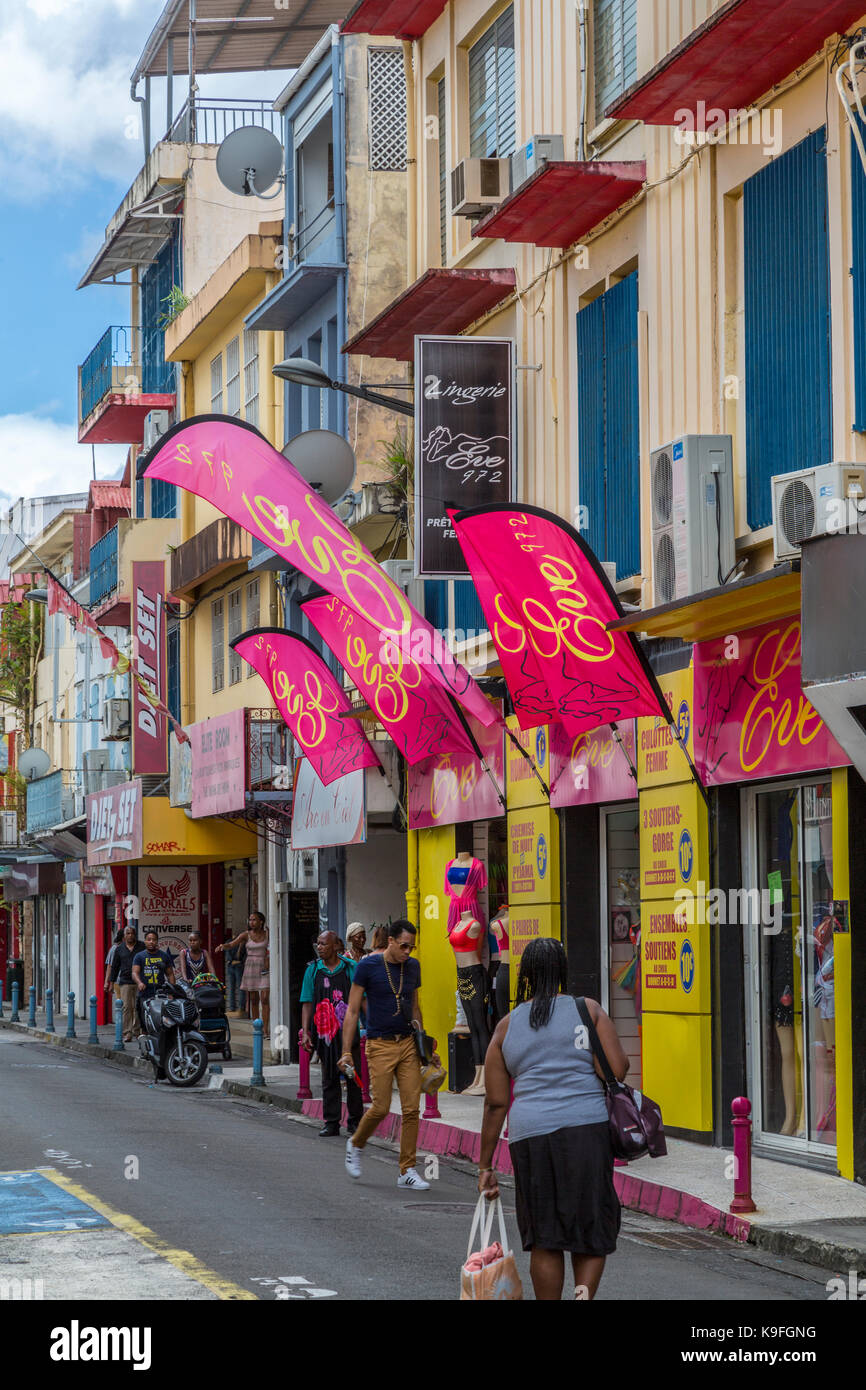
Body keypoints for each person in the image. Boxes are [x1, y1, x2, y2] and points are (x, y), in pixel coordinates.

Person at [477, 937, 628, 1301]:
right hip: (585, 1130)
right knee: (589, 1229)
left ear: (525, 975)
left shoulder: (506, 1027)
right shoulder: (586, 1010)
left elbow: (496, 1102)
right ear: (562, 971)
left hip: (530, 1136)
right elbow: (618, 1068)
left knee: (545, 1236)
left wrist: (485, 1165)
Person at [339, 919, 430, 1190]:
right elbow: (353, 1011)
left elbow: (414, 1008)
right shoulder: (368, 966)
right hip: (378, 1044)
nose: (407, 952)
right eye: (403, 946)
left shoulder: (412, 967)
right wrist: (347, 1051)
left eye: (411, 948)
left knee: (412, 1109)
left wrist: (423, 1046)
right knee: (380, 1107)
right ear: (390, 941)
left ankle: (407, 1170)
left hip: (407, 1043)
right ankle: (356, 1143)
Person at [300, 931, 363, 1138]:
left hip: (348, 1032)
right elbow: (307, 1002)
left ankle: (355, 1121)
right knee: (329, 1079)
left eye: (324, 944)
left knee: (353, 1077)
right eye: (317, 943)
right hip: (325, 1033)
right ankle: (331, 1122)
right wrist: (306, 1031)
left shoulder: (350, 968)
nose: (319, 947)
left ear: (336, 946)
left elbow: (361, 1000)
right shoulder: (313, 970)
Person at [215, 911, 269, 1036]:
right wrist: (223, 946)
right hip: (250, 966)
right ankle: (258, 1028)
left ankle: (266, 1029)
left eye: (254, 920)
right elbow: (232, 944)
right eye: (250, 920)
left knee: (265, 998)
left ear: (261, 921)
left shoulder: (267, 934)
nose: (251, 922)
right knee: (254, 999)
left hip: (264, 967)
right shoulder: (246, 935)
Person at [131, 929, 177, 1026]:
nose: (151, 942)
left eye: (154, 939)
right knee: (144, 1020)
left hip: (160, 993)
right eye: (149, 939)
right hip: (144, 992)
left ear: (157, 941)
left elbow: (170, 974)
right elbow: (135, 973)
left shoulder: (164, 956)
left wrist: (172, 991)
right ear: (145, 941)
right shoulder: (139, 956)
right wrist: (139, 983)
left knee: (160, 1019)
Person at [109, 925, 145, 1041]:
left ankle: (137, 1031)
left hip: (140, 981)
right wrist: (110, 982)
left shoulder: (142, 947)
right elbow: (114, 967)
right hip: (125, 982)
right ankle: (127, 1032)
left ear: (135, 934)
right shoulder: (119, 949)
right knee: (126, 1007)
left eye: (132, 933)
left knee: (138, 1007)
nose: (130, 935)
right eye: (128, 933)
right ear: (124, 936)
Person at [224, 934, 247, 1017]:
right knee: (237, 987)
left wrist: (231, 961)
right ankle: (237, 1008)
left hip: (235, 965)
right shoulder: (231, 942)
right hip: (236, 965)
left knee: (236, 987)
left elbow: (228, 955)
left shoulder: (242, 943)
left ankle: (235, 1008)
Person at [103, 928, 124, 1002]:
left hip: (131, 981)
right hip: (118, 981)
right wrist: (106, 982)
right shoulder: (115, 948)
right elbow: (110, 966)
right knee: (121, 1004)